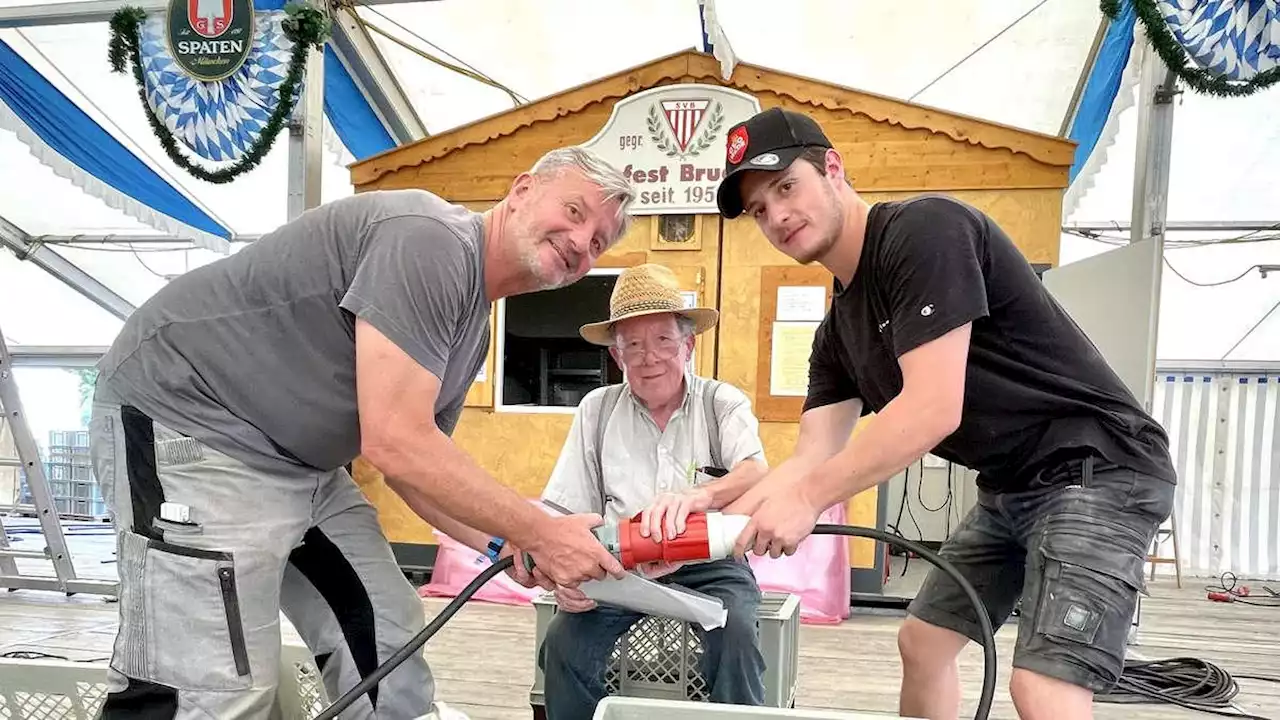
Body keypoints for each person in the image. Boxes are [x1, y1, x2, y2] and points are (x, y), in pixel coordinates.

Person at [86, 146, 637, 720]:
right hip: (192, 422)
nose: (581, 242)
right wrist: (545, 533)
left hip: (304, 467)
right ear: (522, 189)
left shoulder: (474, 328)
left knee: (388, 639)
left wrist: (508, 544)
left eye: (598, 242)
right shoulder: (430, 239)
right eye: (575, 212)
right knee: (208, 687)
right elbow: (396, 443)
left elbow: (420, 471)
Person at [713, 107, 1177, 720]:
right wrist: (700, 535)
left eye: (784, 186)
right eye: (759, 210)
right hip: (1011, 487)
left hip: (1100, 467)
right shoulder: (837, 333)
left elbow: (932, 410)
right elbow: (810, 456)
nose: (776, 215)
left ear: (832, 167)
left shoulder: (923, 231)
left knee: (1042, 687)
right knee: (923, 642)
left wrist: (806, 501)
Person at [535, 263, 771, 718]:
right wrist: (565, 576)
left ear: (688, 345)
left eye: (663, 340)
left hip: (711, 563)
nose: (649, 357)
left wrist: (698, 497)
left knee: (738, 634)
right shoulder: (596, 409)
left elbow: (756, 471)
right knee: (562, 645)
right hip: (620, 567)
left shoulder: (720, 402)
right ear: (618, 357)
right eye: (633, 345)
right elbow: (565, 512)